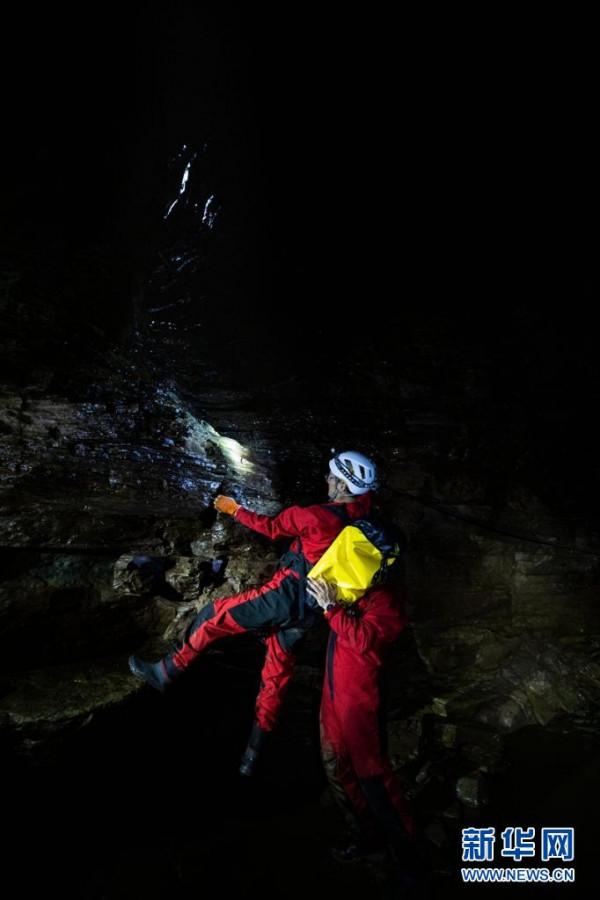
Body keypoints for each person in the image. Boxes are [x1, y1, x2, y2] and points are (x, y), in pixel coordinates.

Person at [128, 450, 377, 775]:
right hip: (311, 611)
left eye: (332, 477)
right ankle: (253, 753)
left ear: (344, 484)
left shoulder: (316, 516)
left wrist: (233, 509)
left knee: (214, 615)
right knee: (275, 679)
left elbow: (271, 527)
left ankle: (166, 672)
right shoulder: (364, 519)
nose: (326, 480)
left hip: (284, 596)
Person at [306, 572, 419, 867]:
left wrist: (331, 607)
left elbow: (364, 640)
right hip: (333, 695)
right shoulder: (352, 587)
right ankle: (367, 835)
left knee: (372, 775)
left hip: (359, 700)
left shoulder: (387, 599)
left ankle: (408, 855)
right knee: (336, 766)